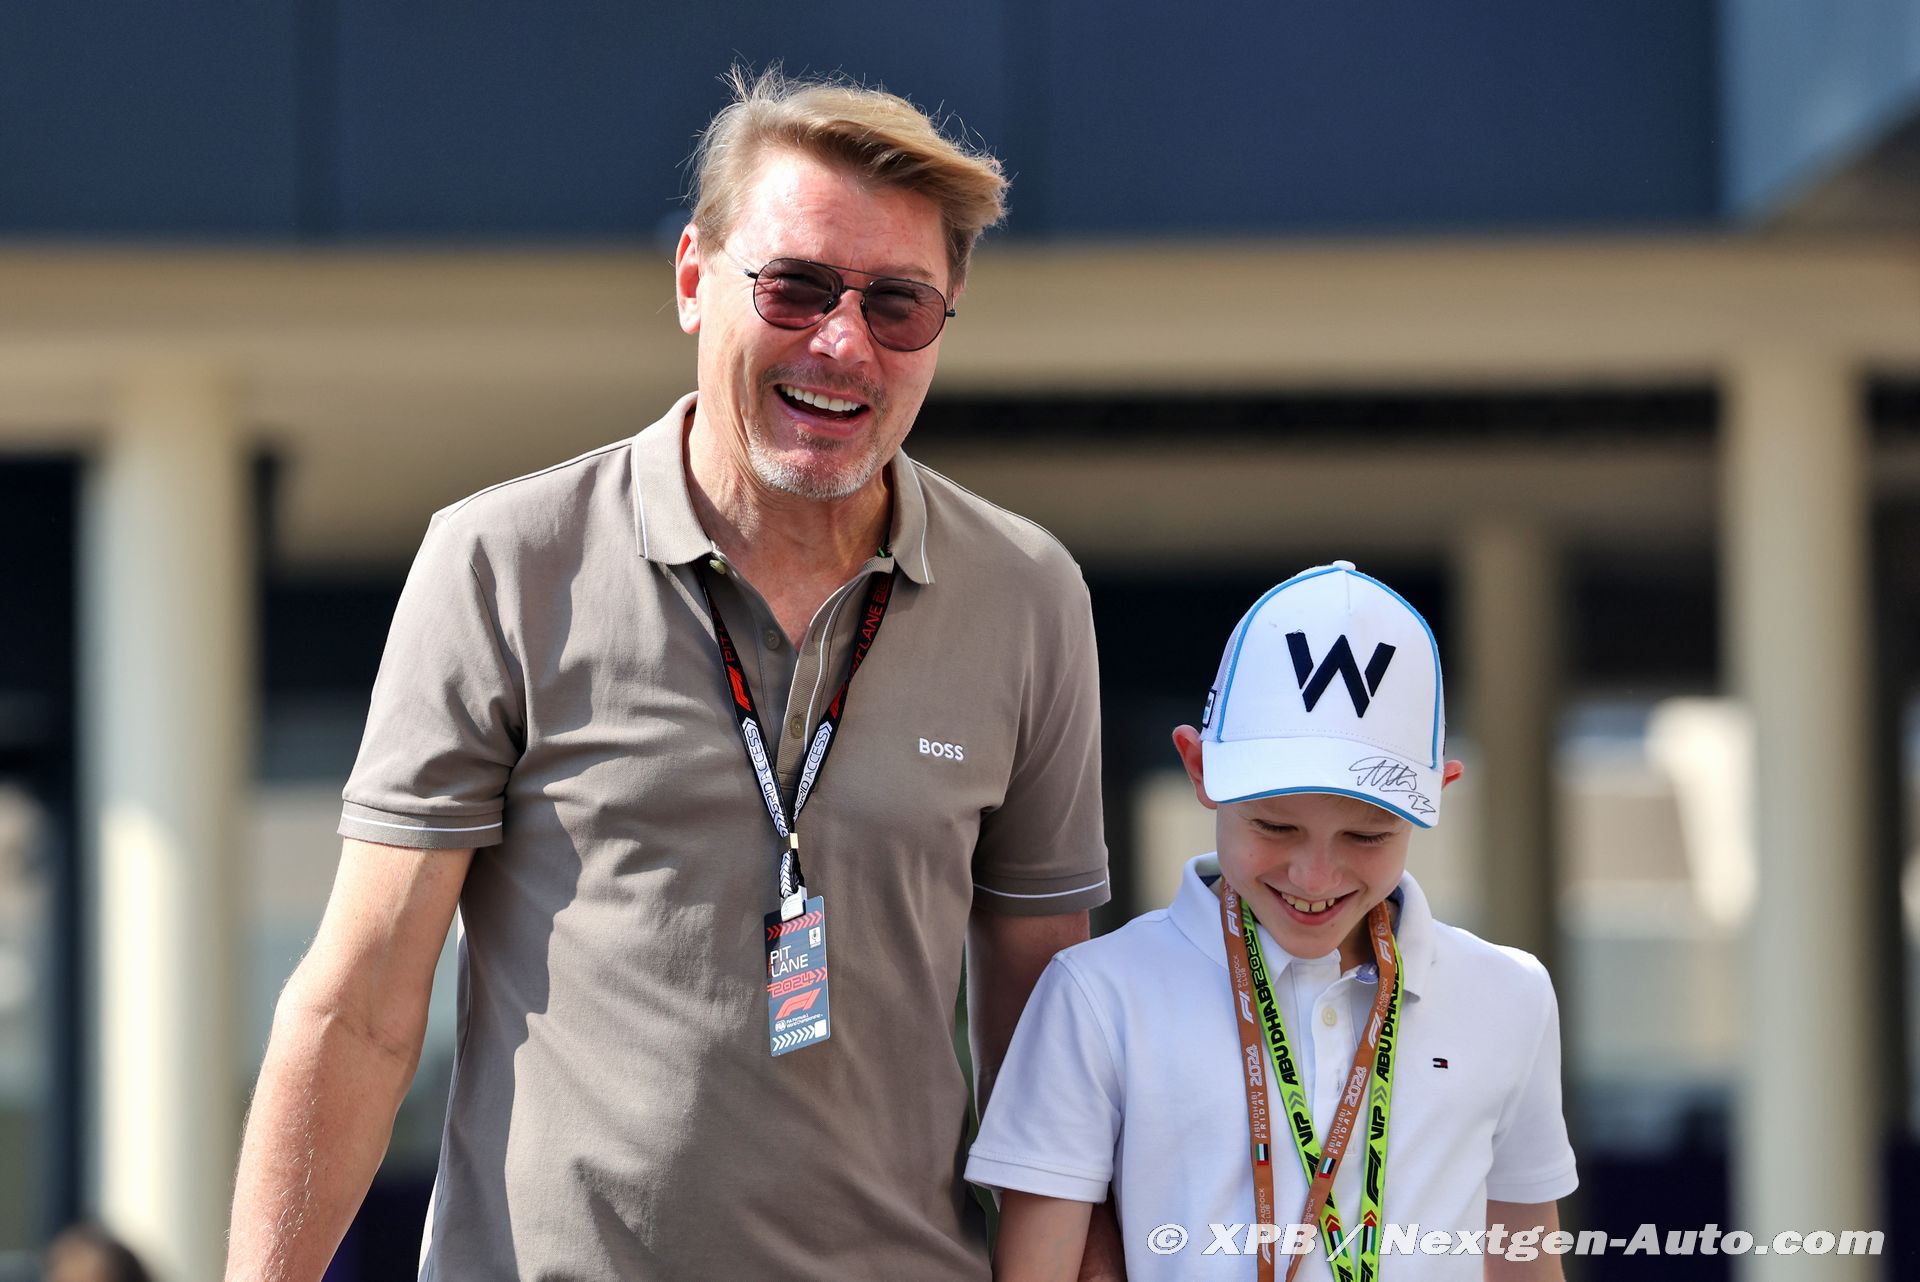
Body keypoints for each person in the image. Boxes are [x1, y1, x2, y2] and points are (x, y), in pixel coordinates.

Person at [227, 67, 1118, 1281]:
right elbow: (362, 1006)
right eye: (795, 287)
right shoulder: (506, 563)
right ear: (695, 280)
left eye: (898, 304)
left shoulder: (1026, 594)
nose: (843, 342)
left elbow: (1046, 1043)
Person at [967, 561, 1579, 1281]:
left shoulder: (1509, 994)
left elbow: (1522, 1256)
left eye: (1367, 836)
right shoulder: (1099, 994)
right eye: (1275, 826)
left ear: (1440, 792)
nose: (1315, 877)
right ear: (1199, 769)